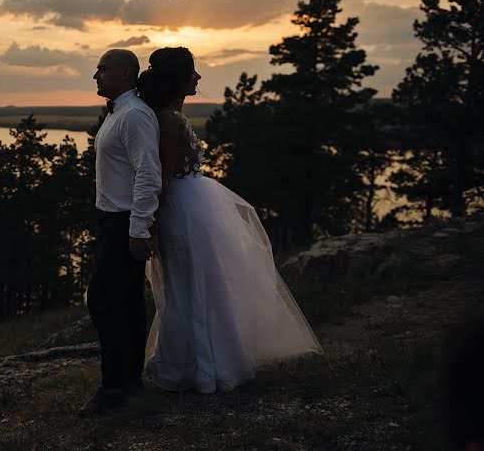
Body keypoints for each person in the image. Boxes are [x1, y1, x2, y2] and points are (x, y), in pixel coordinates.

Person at [137, 46, 322, 394]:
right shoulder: (167, 120)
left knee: (202, 285)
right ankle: (193, 365)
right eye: (193, 72)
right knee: (188, 286)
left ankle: (198, 361)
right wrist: (151, 222)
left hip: (196, 208)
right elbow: (161, 178)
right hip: (183, 211)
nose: (198, 78)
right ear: (179, 79)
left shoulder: (173, 116)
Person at [78, 48, 162, 416]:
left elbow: (148, 173)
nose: (96, 75)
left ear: (126, 74)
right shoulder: (120, 113)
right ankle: (129, 381)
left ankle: (113, 387)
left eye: (102, 69)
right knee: (127, 298)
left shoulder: (135, 116)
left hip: (125, 221)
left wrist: (139, 227)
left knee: (101, 299)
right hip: (112, 220)